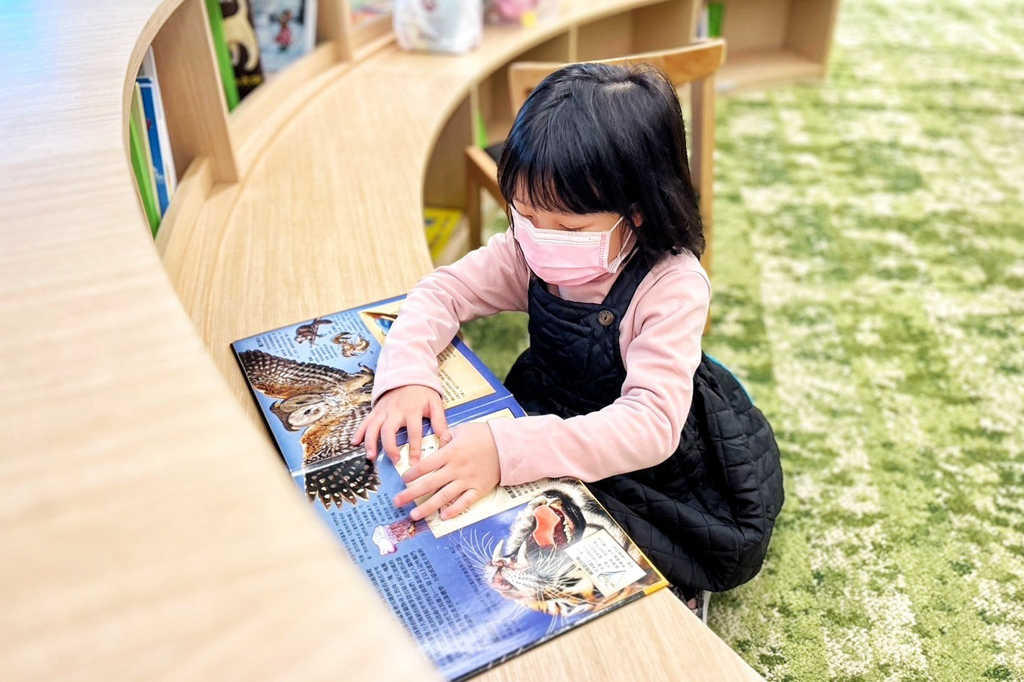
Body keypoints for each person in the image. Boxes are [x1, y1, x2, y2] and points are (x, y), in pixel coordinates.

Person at [352, 62, 783, 622]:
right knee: (488, 508)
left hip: (646, 454)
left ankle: (677, 595)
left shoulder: (671, 284)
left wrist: (506, 451)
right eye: (524, 214)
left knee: (661, 545)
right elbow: (444, 291)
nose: (539, 238)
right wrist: (407, 374)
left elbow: (649, 427)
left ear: (641, 211)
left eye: (570, 229)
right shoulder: (527, 247)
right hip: (551, 406)